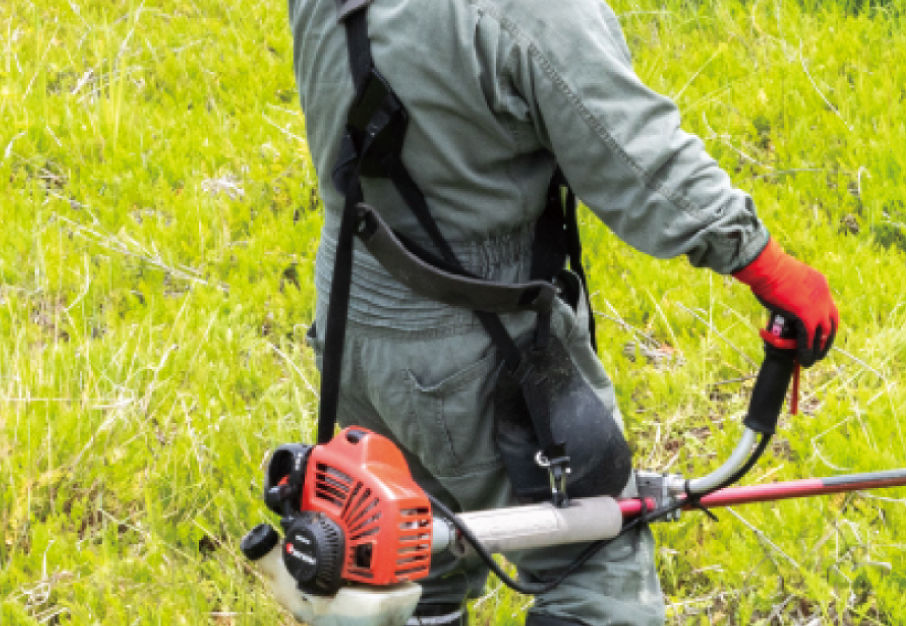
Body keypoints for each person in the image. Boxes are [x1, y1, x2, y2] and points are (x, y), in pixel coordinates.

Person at [287, 0, 839, 625]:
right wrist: (765, 264)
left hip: (348, 325)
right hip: (477, 340)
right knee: (595, 576)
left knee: (404, 566)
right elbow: (635, 154)